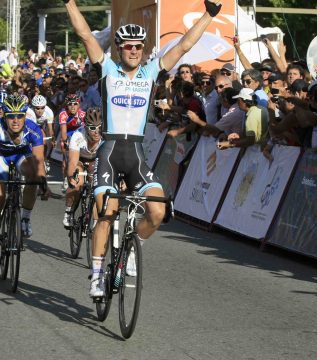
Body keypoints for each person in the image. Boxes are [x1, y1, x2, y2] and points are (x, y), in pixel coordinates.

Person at [63, 0, 224, 297]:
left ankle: (131, 251)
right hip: (109, 153)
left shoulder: (151, 73)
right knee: (107, 212)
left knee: (158, 212)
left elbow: (185, 45)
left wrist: (209, 15)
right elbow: (86, 35)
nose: (134, 50)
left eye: (138, 46)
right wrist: (69, 3)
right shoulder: (107, 69)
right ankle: (98, 275)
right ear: (119, 48)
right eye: (128, 46)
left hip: (136, 154)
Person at [0, 94, 47, 265]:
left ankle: (25, 218)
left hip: (20, 156)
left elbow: (39, 160)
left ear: (25, 115)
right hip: (1, 159)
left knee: (33, 174)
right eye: (11, 116)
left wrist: (43, 182)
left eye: (20, 115)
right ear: (4, 115)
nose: (15, 120)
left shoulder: (33, 129)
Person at [63, 107, 103, 228]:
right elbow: (73, 162)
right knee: (77, 182)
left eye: (99, 127)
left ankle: (96, 222)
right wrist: (71, 177)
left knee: (98, 188)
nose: (96, 131)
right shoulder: (78, 135)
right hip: (80, 160)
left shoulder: (105, 137)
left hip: (96, 160)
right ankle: (69, 211)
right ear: (86, 128)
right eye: (92, 128)